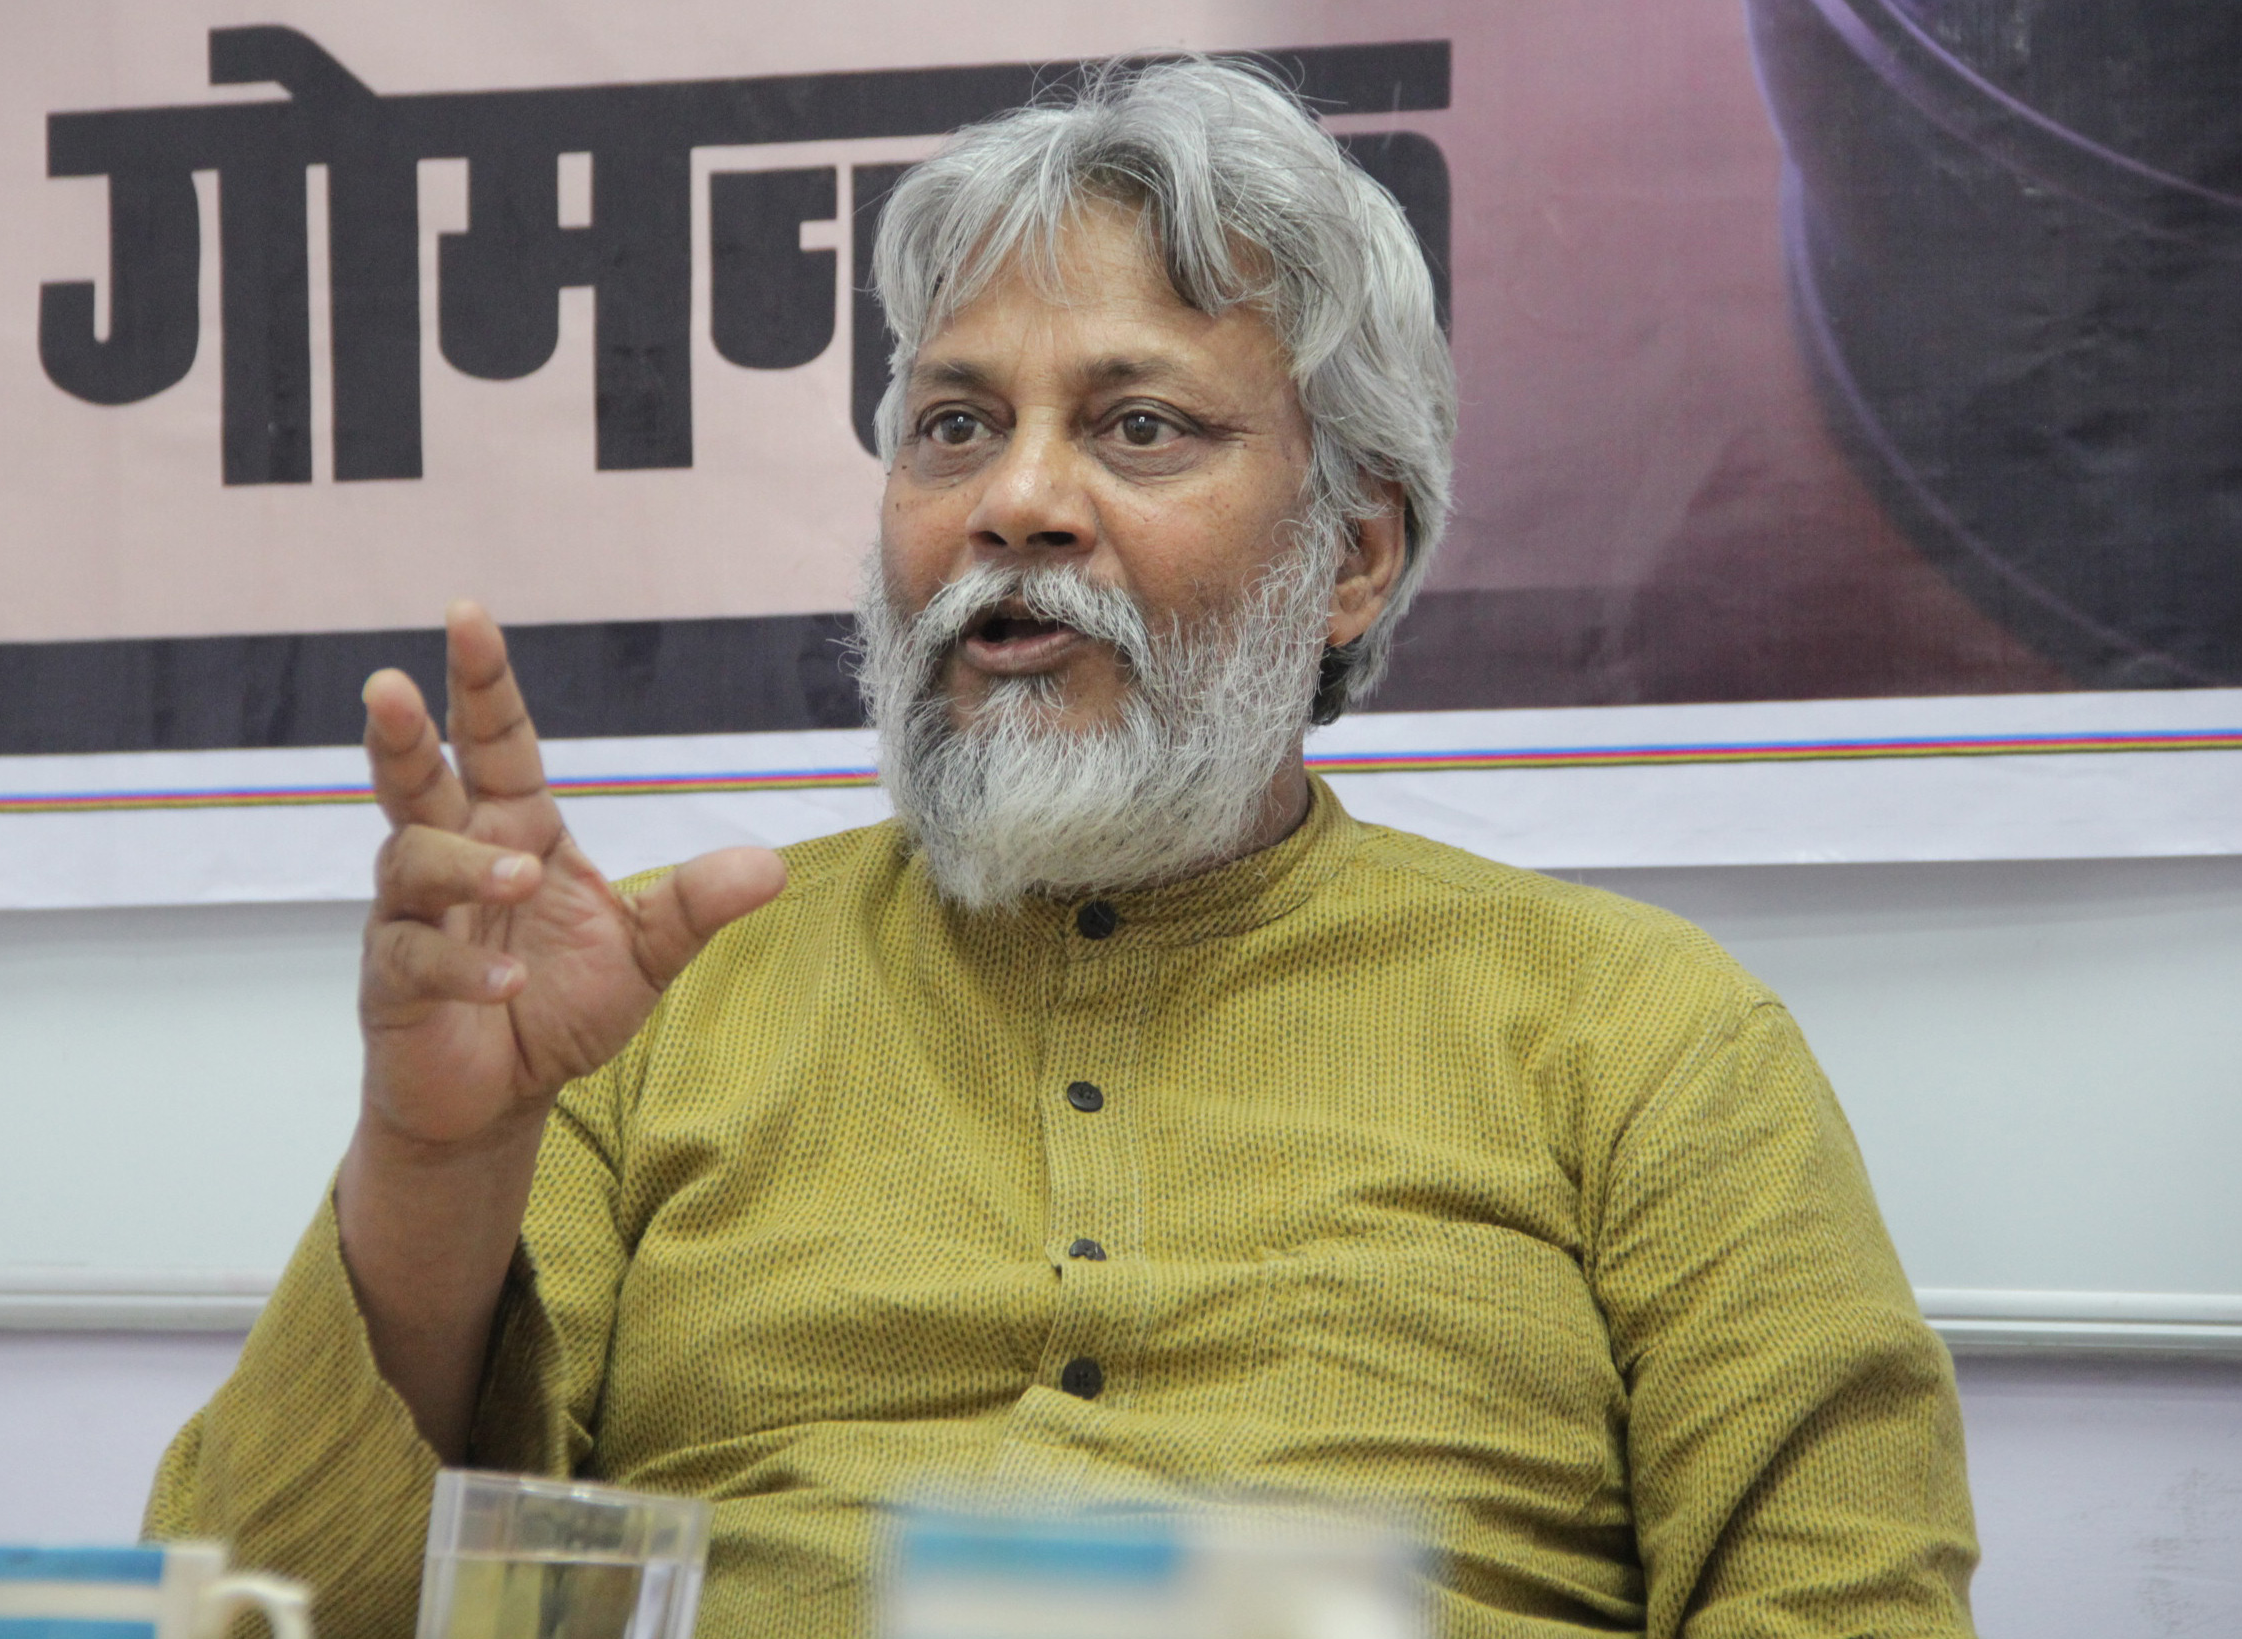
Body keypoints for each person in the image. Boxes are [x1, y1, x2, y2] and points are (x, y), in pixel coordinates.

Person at [147, 57, 1977, 1639]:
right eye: (956, 426)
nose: (1017, 500)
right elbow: (255, 1611)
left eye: (1138, 426)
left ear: (1354, 554)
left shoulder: (1643, 1042)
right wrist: (434, 1162)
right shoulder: (657, 1010)